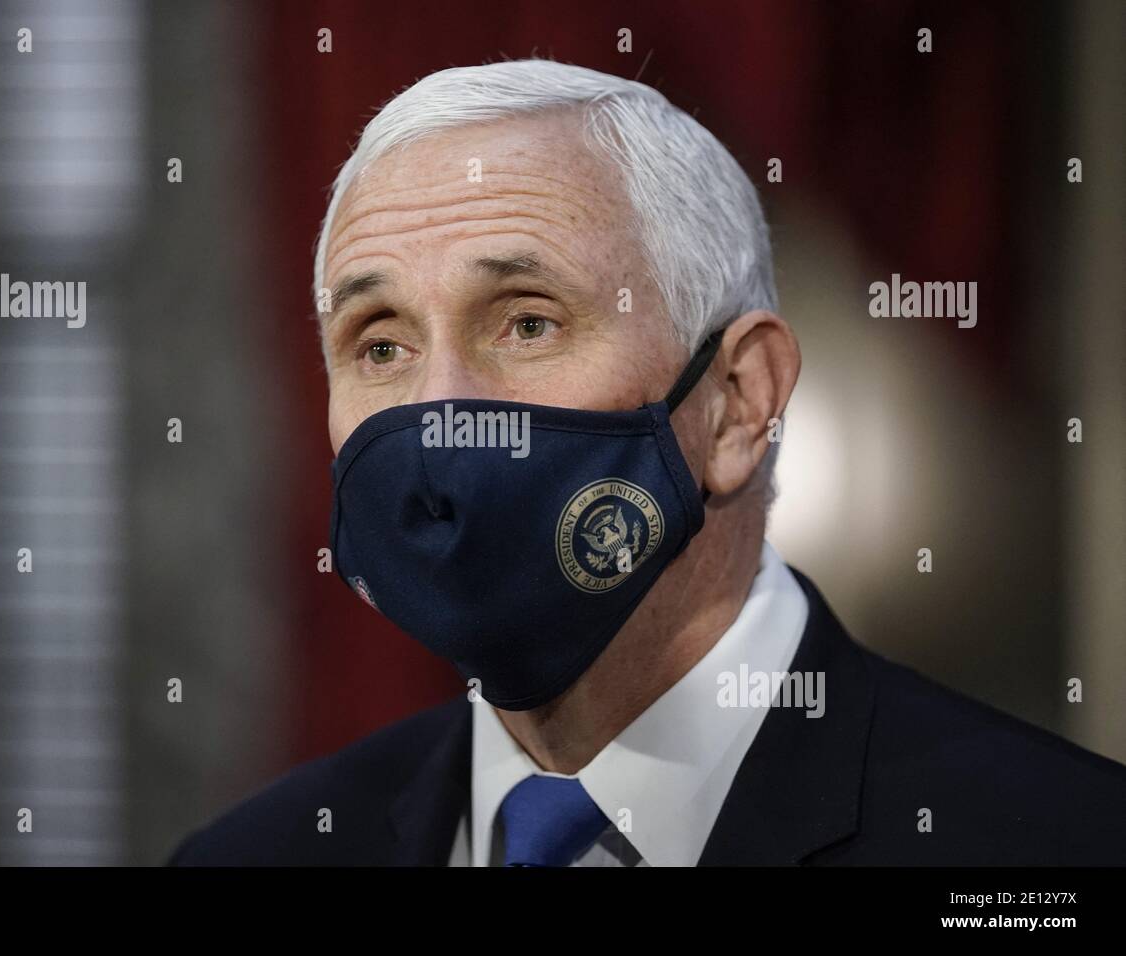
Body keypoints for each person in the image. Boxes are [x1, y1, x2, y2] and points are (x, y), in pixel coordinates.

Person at [171, 59, 1126, 866]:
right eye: (380, 345)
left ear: (738, 402)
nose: (437, 414)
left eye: (528, 322)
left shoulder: (1054, 846)